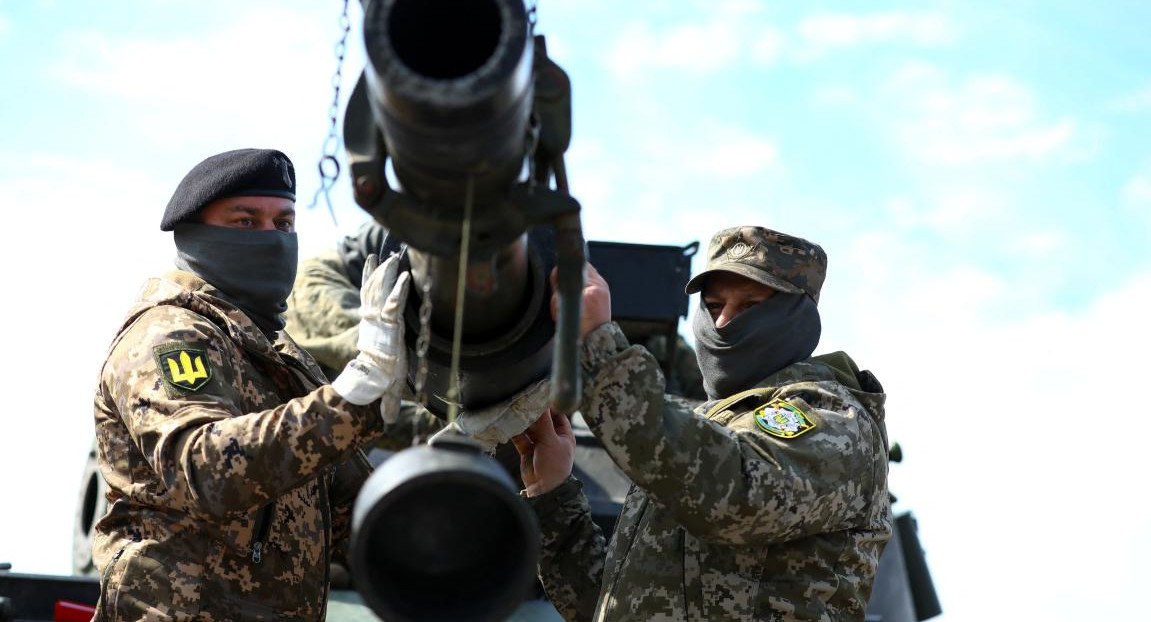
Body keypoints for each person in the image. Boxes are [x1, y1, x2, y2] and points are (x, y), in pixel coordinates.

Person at [91, 148, 413, 620]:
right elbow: (205, 469)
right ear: (197, 234)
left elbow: (349, 503)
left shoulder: (276, 352)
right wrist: (354, 391)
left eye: (283, 225)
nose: (271, 239)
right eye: (245, 222)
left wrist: (455, 444)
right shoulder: (171, 335)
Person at [512, 226, 892, 621]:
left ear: (795, 318)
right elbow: (615, 605)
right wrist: (552, 492)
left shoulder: (835, 419)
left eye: (749, 306)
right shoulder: (695, 431)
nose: (724, 321)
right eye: (713, 305)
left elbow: (731, 496)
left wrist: (598, 346)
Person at [284, 219, 444, 452]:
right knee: (382, 352)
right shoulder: (312, 283)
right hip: (324, 281)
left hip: (328, 427)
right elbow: (384, 356)